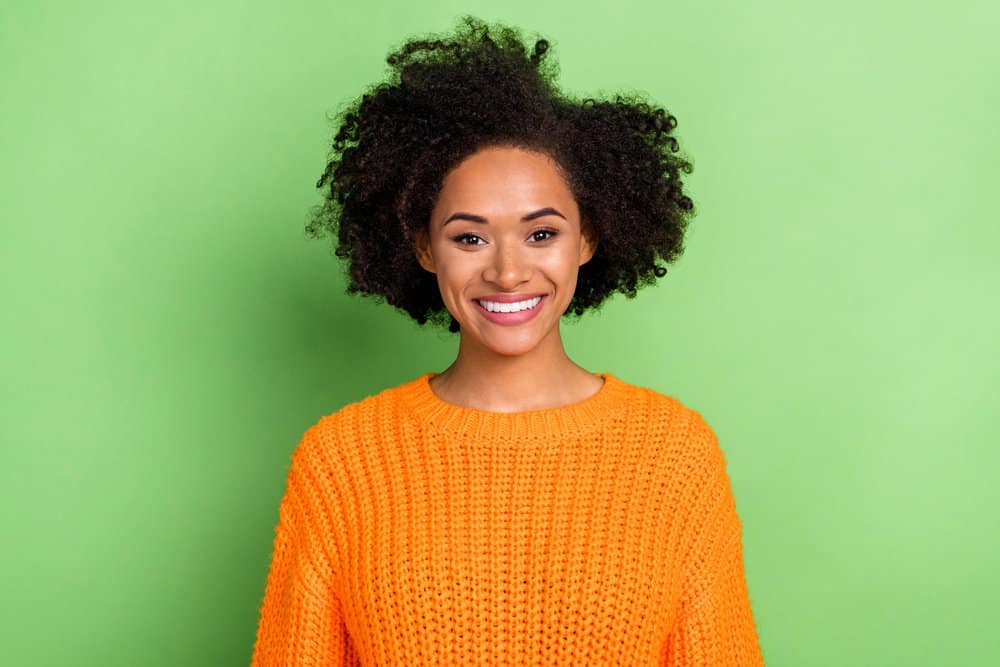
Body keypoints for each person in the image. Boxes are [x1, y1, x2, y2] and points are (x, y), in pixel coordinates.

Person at [250, 16, 764, 666]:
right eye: (469, 236)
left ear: (588, 239)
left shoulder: (674, 458)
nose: (507, 270)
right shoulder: (343, 462)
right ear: (423, 247)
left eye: (541, 233)